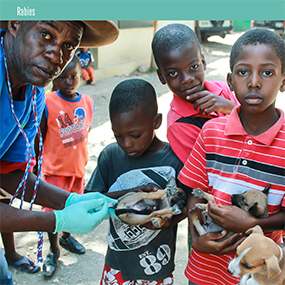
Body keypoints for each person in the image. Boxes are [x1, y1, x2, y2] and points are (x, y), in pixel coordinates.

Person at [0, 20, 119, 285]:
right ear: (15, 23)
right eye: (45, 34)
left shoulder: (33, 94)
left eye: (68, 45)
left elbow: (9, 174)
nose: (56, 55)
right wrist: (57, 219)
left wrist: (69, 202)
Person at [178, 28, 285, 285]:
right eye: (243, 72)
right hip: (204, 269)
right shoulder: (211, 132)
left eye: (267, 72)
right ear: (229, 80)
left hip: (257, 275)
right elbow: (194, 191)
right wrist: (197, 236)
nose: (254, 82)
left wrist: (251, 221)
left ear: (283, 80)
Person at [85, 78, 188, 285]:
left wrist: (167, 220)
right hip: (118, 263)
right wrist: (129, 194)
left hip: (157, 264)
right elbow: (90, 201)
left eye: (135, 135)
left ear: (156, 122)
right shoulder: (110, 156)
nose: (126, 143)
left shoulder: (175, 160)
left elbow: (185, 207)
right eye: (118, 135)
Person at [33, 55, 95, 277]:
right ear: (54, 80)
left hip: (77, 169)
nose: (69, 82)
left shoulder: (87, 102)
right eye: (63, 78)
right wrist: (34, 165)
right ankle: (54, 250)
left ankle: (67, 237)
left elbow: (84, 133)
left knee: (73, 209)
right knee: (53, 214)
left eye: (74, 77)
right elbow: (38, 137)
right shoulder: (47, 102)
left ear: (81, 75)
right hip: (54, 171)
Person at [151, 23, 239, 164]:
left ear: (203, 62)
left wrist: (231, 109)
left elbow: (257, 125)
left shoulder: (222, 89)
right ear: (161, 76)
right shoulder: (178, 125)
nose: (187, 79)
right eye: (173, 73)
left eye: (194, 67)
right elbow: (207, 170)